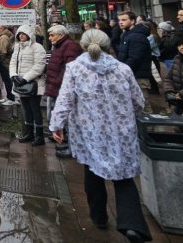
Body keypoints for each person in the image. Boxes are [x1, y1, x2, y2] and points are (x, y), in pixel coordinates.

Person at [49, 29, 151, 242]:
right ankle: (132, 224)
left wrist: (56, 125)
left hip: (89, 131)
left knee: (92, 171)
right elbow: (138, 101)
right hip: (121, 132)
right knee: (124, 177)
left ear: (84, 46)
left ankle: (99, 216)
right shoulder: (123, 69)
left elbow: (65, 99)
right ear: (107, 46)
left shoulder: (75, 68)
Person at [44, 24, 82, 156]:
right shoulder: (59, 46)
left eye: (52, 35)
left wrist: (58, 82)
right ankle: (66, 143)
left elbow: (69, 68)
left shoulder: (69, 46)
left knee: (68, 119)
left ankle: (72, 148)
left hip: (61, 87)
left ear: (60, 35)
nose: (49, 38)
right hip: (57, 86)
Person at [10, 24, 47, 146]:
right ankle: (29, 134)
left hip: (33, 84)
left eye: (23, 34)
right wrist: (14, 75)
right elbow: (12, 63)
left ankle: (39, 136)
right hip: (20, 83)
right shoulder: (17, 47)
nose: (21, 36)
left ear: (29, 35)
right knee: (26, 109)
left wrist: (25, 78)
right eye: (19, 34)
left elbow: (39, 66)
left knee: (35, 109)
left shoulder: (37, 47)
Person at [117, 12, 154, 101]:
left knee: (141, 101)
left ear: (133, 21)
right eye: (119, 20)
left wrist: (122, 70)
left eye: (124, 20)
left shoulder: (137, 36)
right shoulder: (126, 34)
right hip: (131, 73)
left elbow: (135, 58)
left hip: (138, 74)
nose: (120, 22)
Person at [0, 25, 16, 106]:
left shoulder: (3, 38)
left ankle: (11, 98)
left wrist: (0, 61)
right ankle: (9, 96)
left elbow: (3, 52)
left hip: (5, 63)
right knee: (7, 81)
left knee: (7, 81)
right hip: (6, 62)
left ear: (2, 29)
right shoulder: (4, 36)